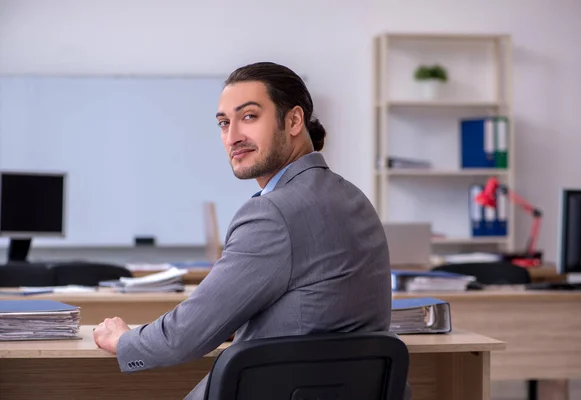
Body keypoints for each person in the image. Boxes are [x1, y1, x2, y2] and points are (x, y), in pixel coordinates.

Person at [94, 61, 409, 399]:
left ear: (293, 121)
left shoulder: (272, 212)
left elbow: (184, 337)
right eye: (223, 123)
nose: (232, 137)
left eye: (249, 117)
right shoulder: (352, 196)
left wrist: (125, 341)